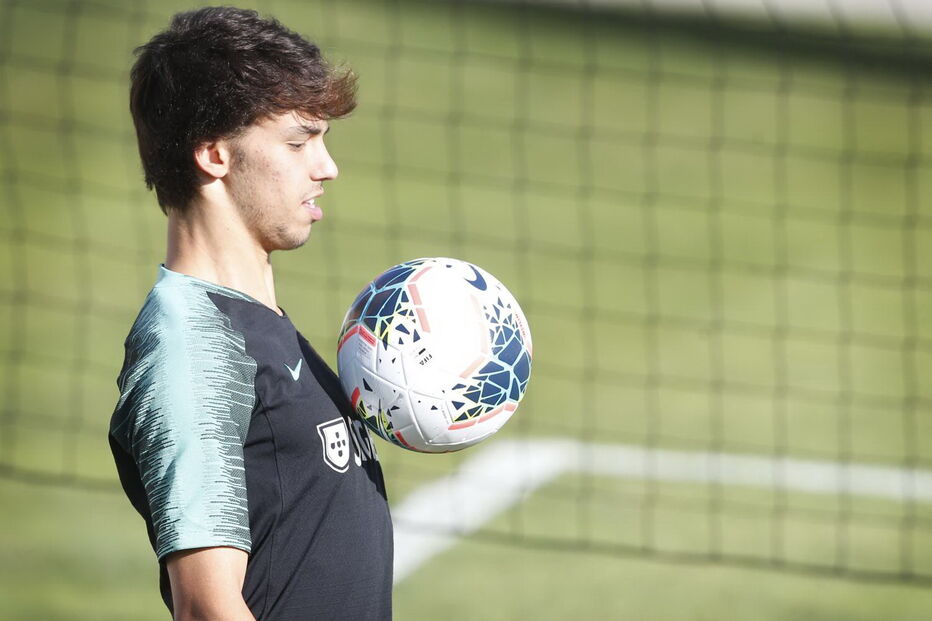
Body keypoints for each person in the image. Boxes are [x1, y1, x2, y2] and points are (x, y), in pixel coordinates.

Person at [108, 7, 392, 620]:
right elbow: (208, 609)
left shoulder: (253, 324)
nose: (327, 167)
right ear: (214, 155)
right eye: (299, 141)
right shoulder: (192, 345)